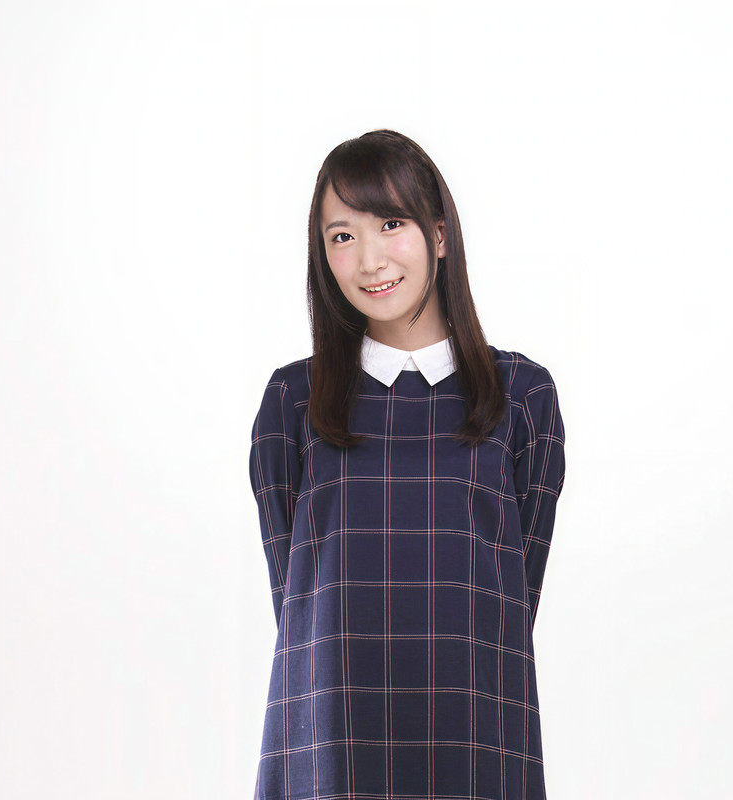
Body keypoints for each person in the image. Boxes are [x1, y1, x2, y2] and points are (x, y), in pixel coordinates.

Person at [249, 129, 566, 800]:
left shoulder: (521, 395)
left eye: (391, 224)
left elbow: (513, 599)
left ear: (439, 234)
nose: (370, 260)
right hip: (331, 742)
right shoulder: (294, 400)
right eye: (342, 236)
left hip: (476, 737)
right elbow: (299, 607)